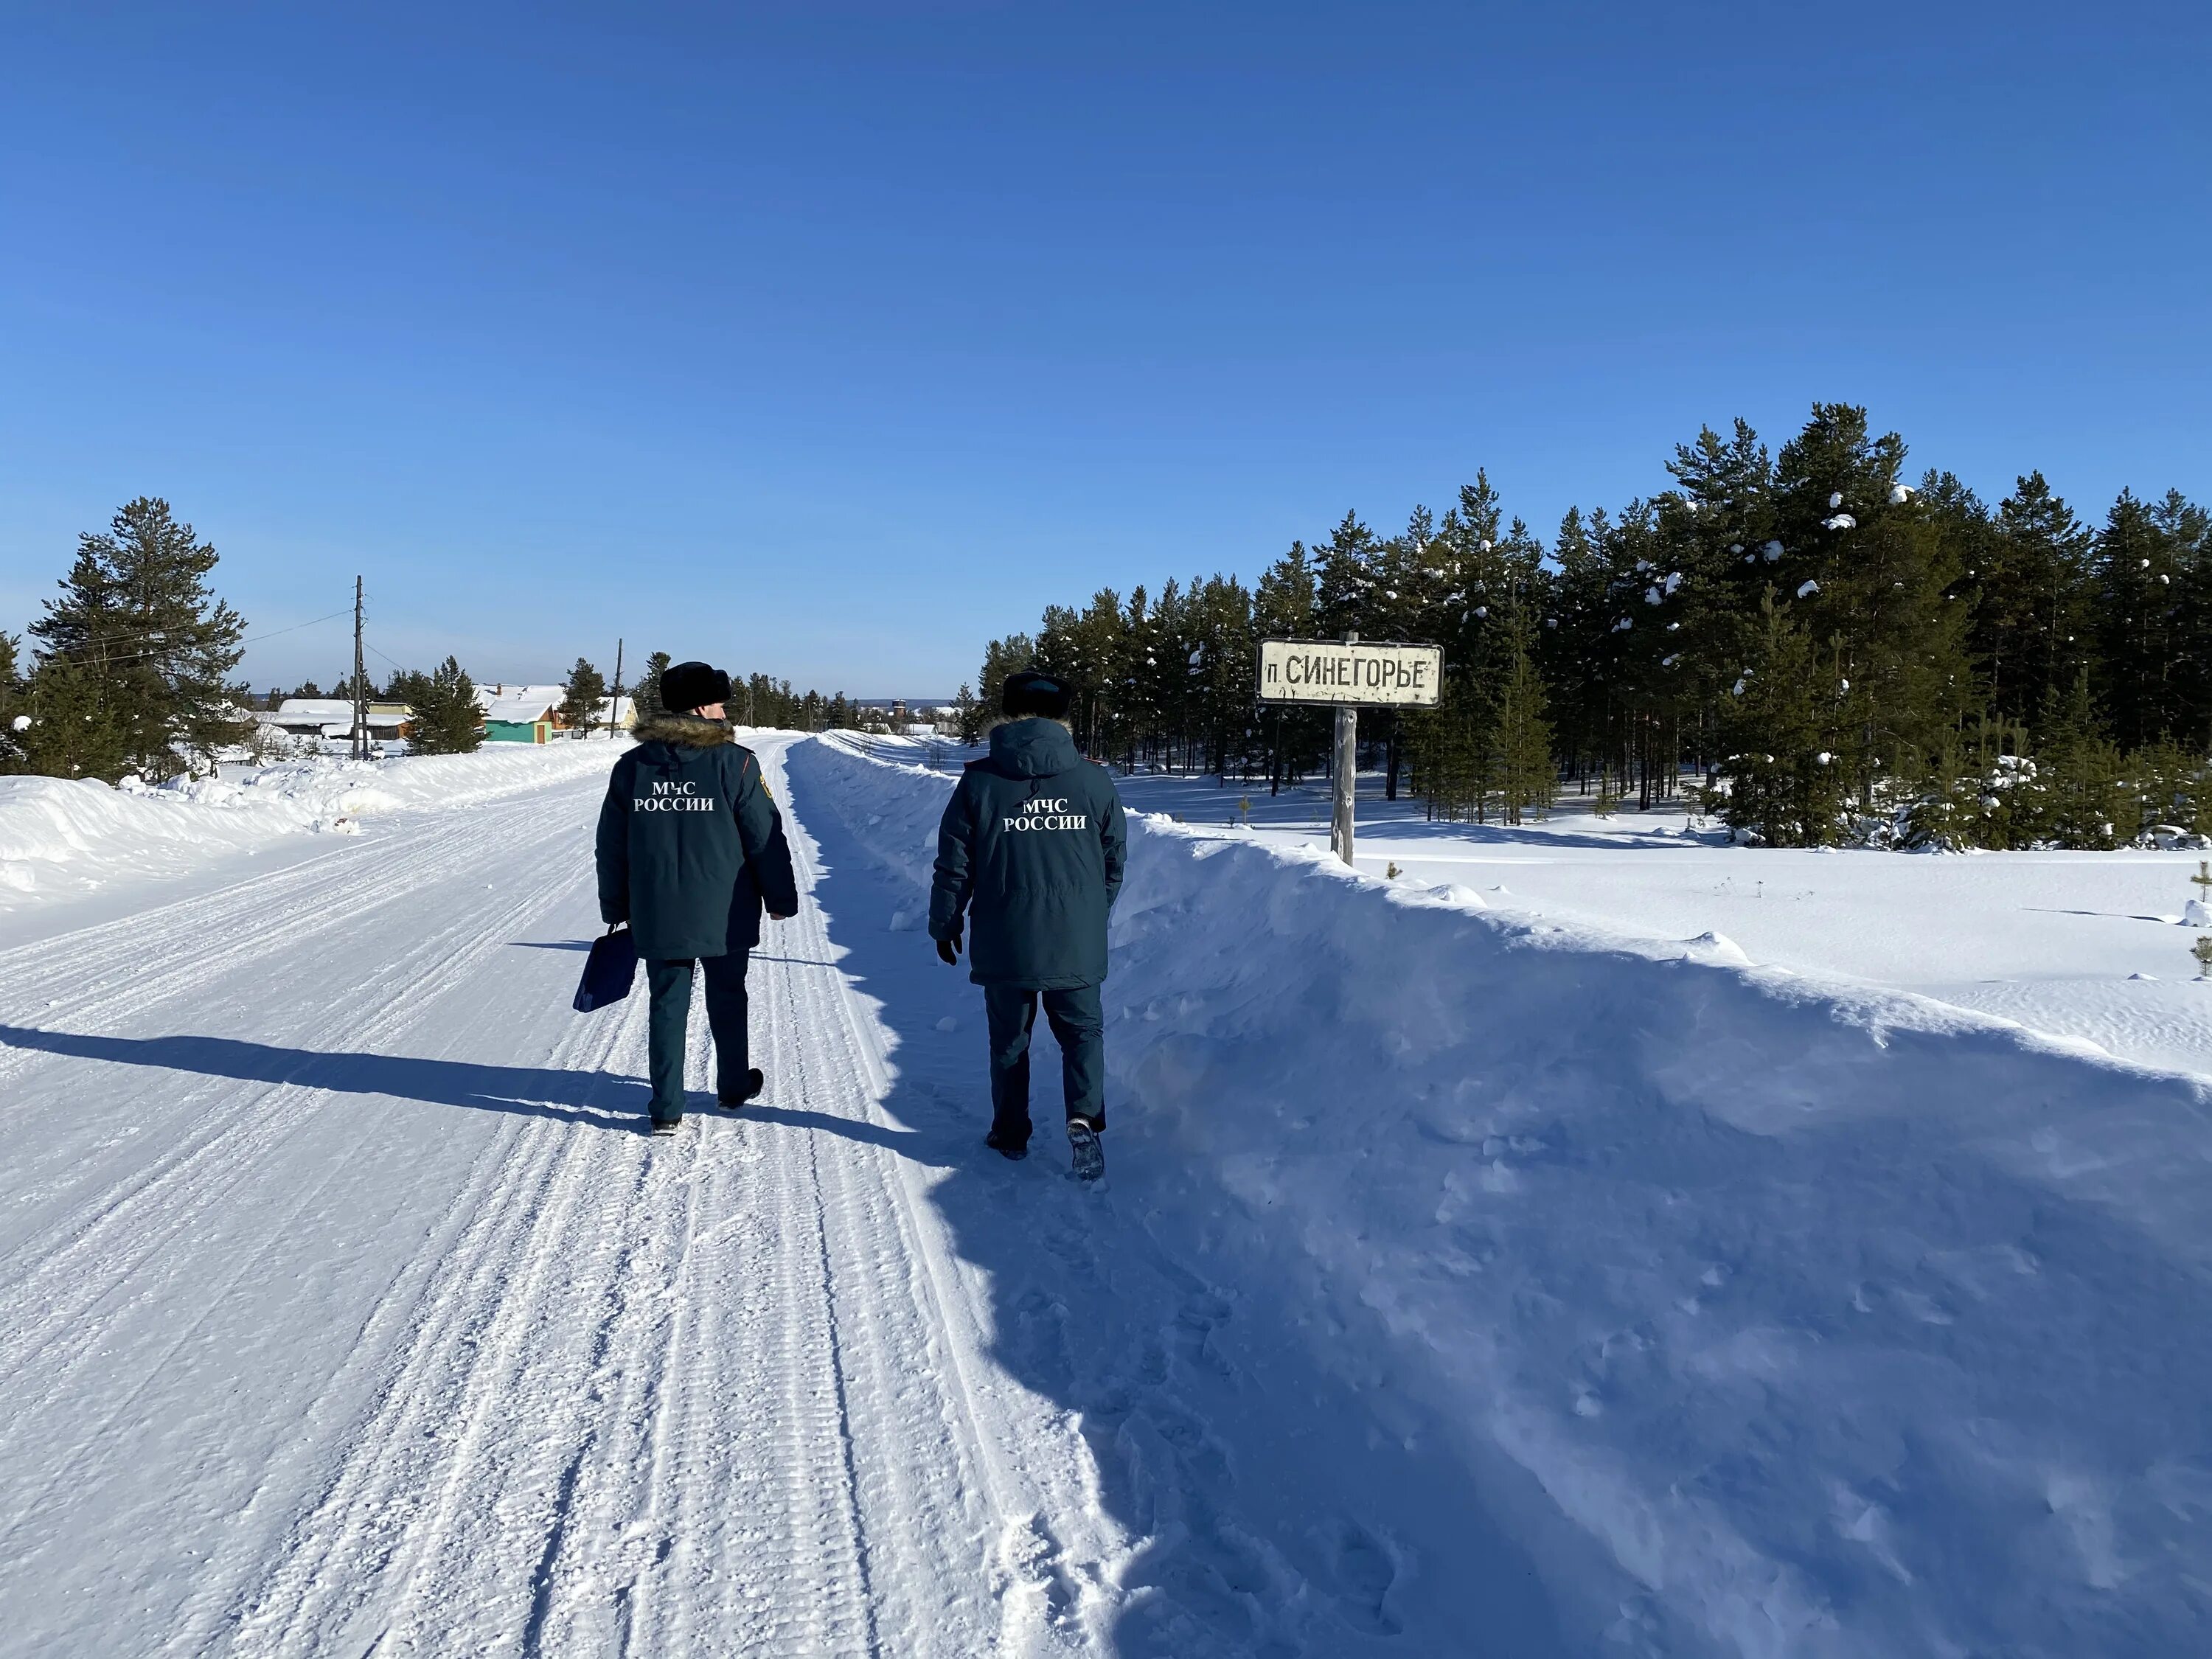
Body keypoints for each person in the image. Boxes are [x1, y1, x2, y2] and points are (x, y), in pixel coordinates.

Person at [928, 669, 1127, 1179]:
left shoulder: (980, 780)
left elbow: (956, 863)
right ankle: (1084, 1119)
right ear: (1063, 716)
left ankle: (1010, 1132)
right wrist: (1089, 913)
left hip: (1005, 936)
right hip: (1075, 938)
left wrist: (945, 923)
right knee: (1082, 1033)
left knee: (1010, 1040)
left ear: (1008, 712)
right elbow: (1113, 861)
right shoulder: (1093, 779)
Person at [595, 661, 798, 1135]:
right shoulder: (737, 762)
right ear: (702, 707)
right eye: (720, 701)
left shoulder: (632, 767)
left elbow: (611, 845)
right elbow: (764, 835)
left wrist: (616, 905)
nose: (725, 710)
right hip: (724, 911)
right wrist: (780, 896)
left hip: (657, 909)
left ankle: (666, 1106)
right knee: (727, 994)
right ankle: (732, 1087)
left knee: (667, 1002)